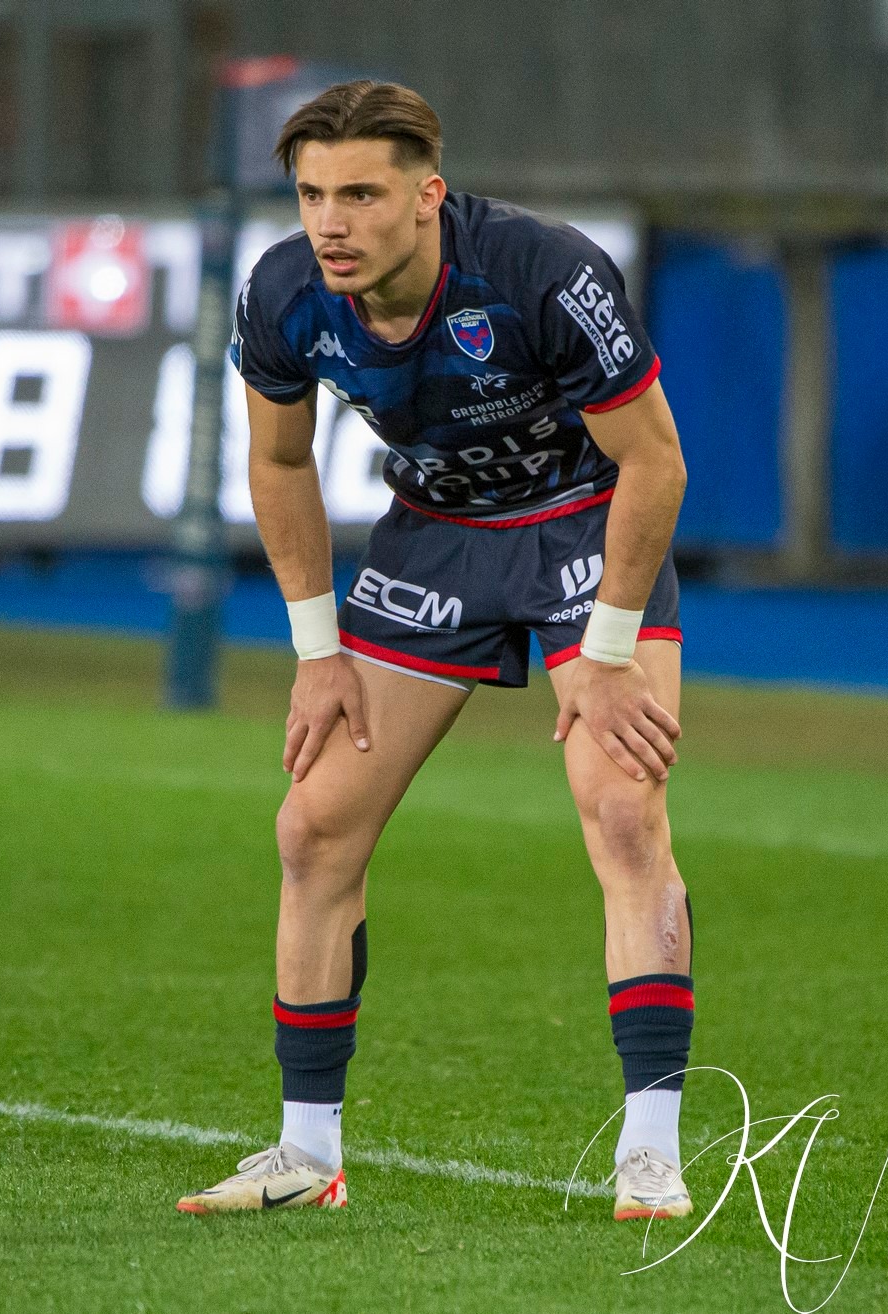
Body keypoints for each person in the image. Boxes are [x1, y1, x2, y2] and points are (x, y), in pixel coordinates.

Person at [175, 82, 698, 1223]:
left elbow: (654, 463)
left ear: (427, 195)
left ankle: (650, 1153)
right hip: (439, 535)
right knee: (313, 828)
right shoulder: (283, 293)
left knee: (622, 811)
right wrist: (317, 652)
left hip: (583, 523)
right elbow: (278, 462)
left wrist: (607, 651)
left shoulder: (540, 272)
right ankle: (306, 1154)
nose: (331, 223)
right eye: (312, 194)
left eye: (360, 194)